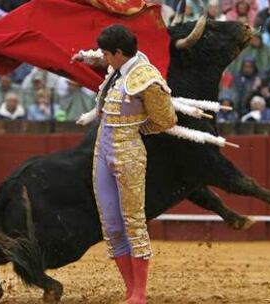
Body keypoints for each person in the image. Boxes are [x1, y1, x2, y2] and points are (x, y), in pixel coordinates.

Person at [74, 25, 177, 304]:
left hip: (128, 152)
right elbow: (102, 60)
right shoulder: (118, 70)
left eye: (107, 54)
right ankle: (130, 291)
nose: (104, 58)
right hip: (102, 150)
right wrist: (89, 57)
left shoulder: (146, 78)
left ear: (119, 53)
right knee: (111, 224)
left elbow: (167, 119)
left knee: (133, 222)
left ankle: (140, 295)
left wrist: (138, 129)